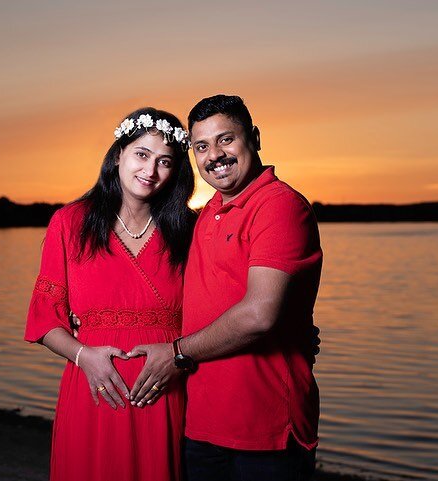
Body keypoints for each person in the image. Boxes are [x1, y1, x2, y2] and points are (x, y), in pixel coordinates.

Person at [127, 94, 323, 481]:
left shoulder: (279, 206)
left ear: (255, 137)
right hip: (201, 425)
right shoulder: (205, 217)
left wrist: (177, 353)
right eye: (201, 146)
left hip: (264, 432)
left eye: (226, 139)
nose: (215, 155)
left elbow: (259, 315)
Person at [23, 107, 196, 481]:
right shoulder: (70, 222)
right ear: (119, 154)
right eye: (141, 154)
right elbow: (44, 321)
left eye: (165, 161)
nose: (150, 171)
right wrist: (84, 356)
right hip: (95, 393)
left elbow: (219, 311)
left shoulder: (189, 229)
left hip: (165, 392)